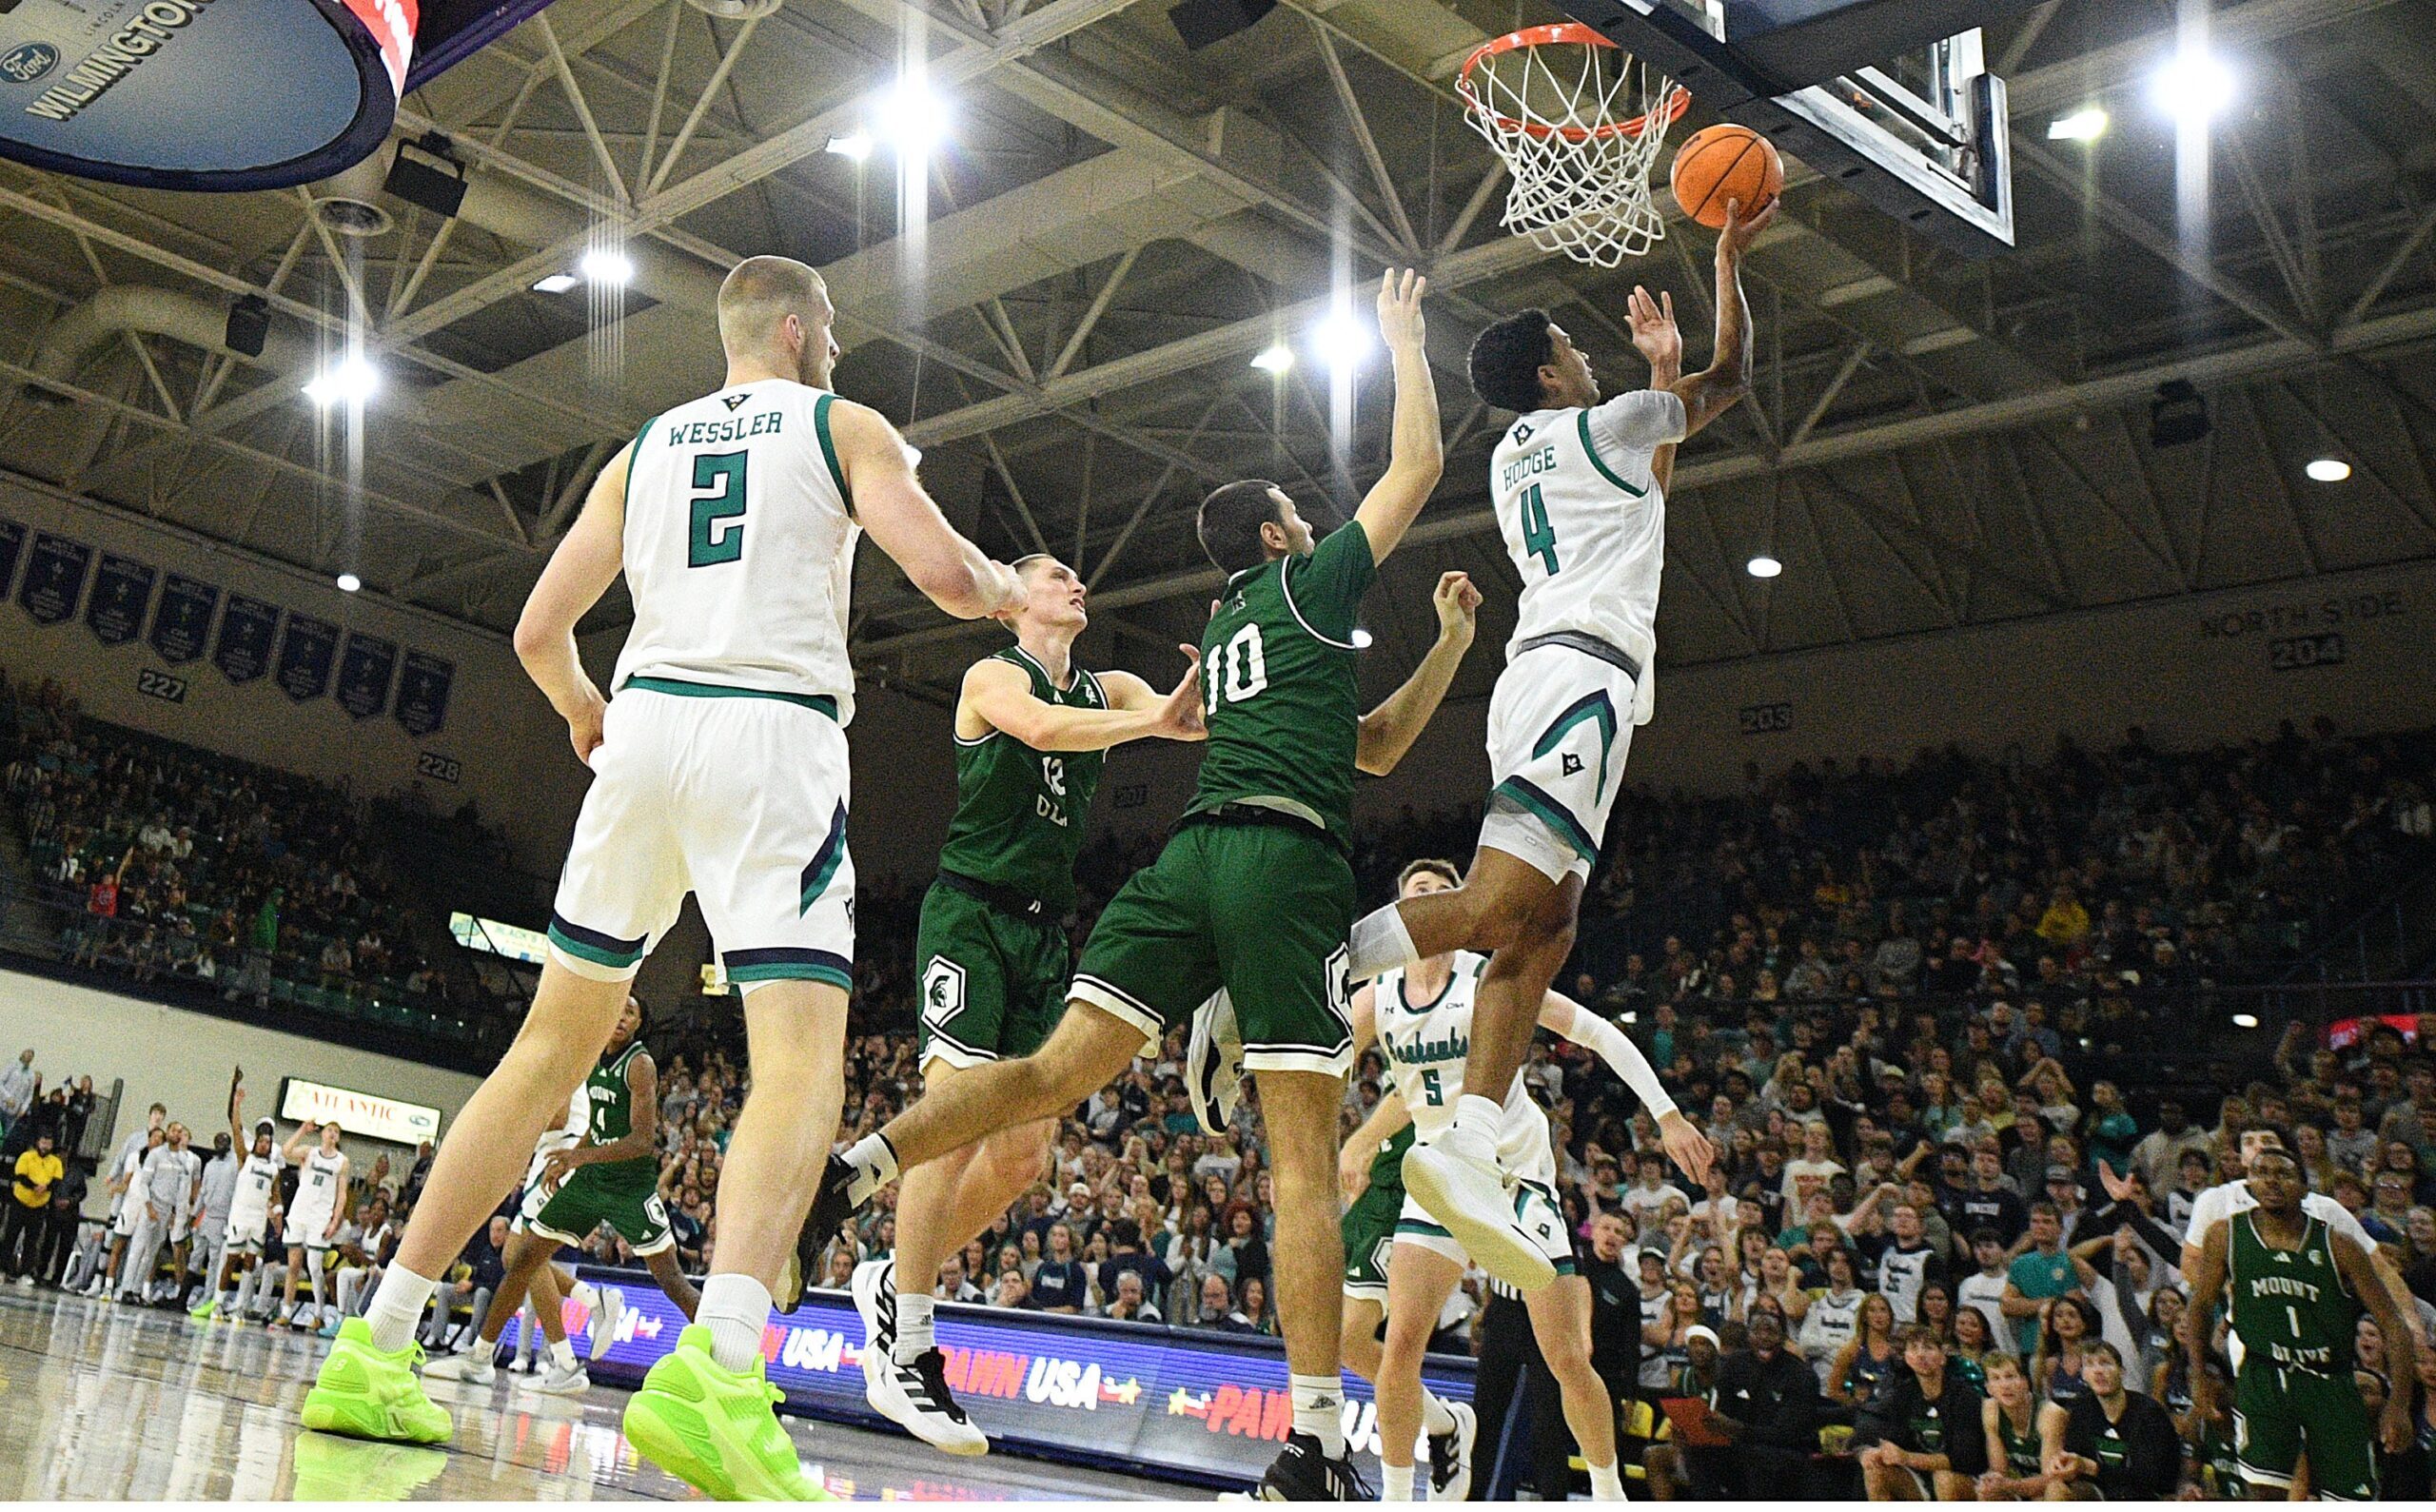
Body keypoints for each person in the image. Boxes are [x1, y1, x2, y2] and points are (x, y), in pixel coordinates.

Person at [303, 252, 1030, 1499]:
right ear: (797, 331)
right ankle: (723, 1374)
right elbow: (947, 576)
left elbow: (538, 630)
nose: (840, 342)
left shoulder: (639, 454)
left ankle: (375, 1343)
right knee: (797, 1059)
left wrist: (586, 712)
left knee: (540, 1057)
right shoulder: (841, 422)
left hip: (643, 736)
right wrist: (1012, 588)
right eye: (834, 326)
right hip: (769, 737)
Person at [806, 270, 1455, 1499]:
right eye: (1294, 517)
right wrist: (1403, 347)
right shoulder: (1300, 591)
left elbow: (1360, 743)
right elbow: (1413, 469)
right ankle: (1315, 1442)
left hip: (1181, 865)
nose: (1310, 527)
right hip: (1270, 865)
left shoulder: (1216, 633)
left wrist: (1450, 647)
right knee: (1303, 1165)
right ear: (1276, 538)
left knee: (1041, 1100)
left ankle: (858, 1176)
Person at [1333, 200, 1772, 1291]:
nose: (1588, 356)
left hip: (1566, 678)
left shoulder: (1535, 454)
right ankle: (1320, 958)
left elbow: (1641, 515)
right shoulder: (1602, 423)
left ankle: (1470, 1136)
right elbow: (1733, 386)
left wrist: (1655, 378)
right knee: (1491, 909)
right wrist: (1723, 269)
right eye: (1575, 350)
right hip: (1574, 678)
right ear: (1546, 373)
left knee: (1546, 925)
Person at [843, 550, 1203, 1455]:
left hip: (1044, 934)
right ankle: (912, 1347)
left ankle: (893, 1276)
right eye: (1057, 578)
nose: (1078, 585)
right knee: (955, 1113)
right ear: (1014, 603)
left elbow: (1182, 723)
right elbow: (1041, 731)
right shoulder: (990, 674)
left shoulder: (1110, 682)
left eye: (1081, 577)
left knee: (1024, 1154)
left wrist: (1217, 699)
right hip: (970, 915)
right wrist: (1149, 721)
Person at [1349, 856, 1714, 1501]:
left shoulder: (1492, 977)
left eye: (1443, 892)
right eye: (1418, 893)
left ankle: (1607, 1492)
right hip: (1436, 1179)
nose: (1430, 900)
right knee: (1400, 1342)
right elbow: (1319, 1057)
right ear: (1403, 915)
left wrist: (1668, 1113)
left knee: (1567, 1356)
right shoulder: (1378, 997)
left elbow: (1597, 1030)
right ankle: (1398, 1496)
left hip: (1514, 1180)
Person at [426, 998, 696, 1394]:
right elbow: (599, 1125)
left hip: (625, 1185)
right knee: (521, 1259)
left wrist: (571, 1154)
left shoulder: (639, 1064)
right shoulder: (595, 1058)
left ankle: (730, 1362)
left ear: (639, 1024)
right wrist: (573, 1161)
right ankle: (489, 1357)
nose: (619, 1017)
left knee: (672, 1281)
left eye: (630, 1013)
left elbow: (641, 1141)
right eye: (616, 1009)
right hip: (584, 1172)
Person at [2184, 1145, 2417, 1501]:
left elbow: (2394, 1325)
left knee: (2350, 1499)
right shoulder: (2225, 1235)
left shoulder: (2338, 1245)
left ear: (2305, 1188)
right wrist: (2197, 1373)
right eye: (2263, 1172)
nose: (2272, 1181)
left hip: (2329, 1380)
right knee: (2263, 1494)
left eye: (2284, 1174)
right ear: (2249, 1182)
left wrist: (2398, 1403)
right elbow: (2199, 1307)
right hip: (2263, 1376)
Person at [1338, 1106, 1475, 1503]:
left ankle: (1397, 1493)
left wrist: (1356, 1144)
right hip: (1378, 1186)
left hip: (1413, 1190)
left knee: (1354, 1337)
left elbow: (1408, 1094)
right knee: (1336, 1339)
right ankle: (1445, 1423)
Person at [191, 1073, 287, 1322]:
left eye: (268, 1142)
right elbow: (235, 1127)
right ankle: (218, 1304)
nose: (265, 1145)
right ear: (257, 1142)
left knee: (250, 1264)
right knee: (231, 1260)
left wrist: (277, 1215)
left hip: (258, 1219)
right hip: (239, 1215)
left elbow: (276, 1197)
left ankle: (240, 1307)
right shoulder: (245, 1157)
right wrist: (236, 1103)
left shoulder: (274, 1170)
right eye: (262, 1141)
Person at [1856, 1325, 1987, 1501]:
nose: (1920, 1354)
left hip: (1965, 1480)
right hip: (1921, 1478)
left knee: (1944, 1479)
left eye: (1928, 1347)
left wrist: (1907, 1458)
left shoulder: (1964, 1396)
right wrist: (1871, 1453)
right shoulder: (1902, 1394)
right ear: (1906, 1358)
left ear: (1942, 1357)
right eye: (1914, 1348)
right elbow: (1888, 1439)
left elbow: (1964, 1459)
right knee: (1875, 1471)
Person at [2036, 1342, 2179, 1501]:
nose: (2098, 1371)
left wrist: (2091, 1467)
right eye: (2090, 1365)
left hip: (2146, 1495)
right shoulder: (2082, 1409)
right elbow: (2077, 1462)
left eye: (2105, 1363)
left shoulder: (2148, 1412)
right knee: (2056, 1488)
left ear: (2122, 1371)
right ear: (2083, 1375)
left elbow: (2148, 1478)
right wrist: (2064, 1465)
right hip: (2102, 1492)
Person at [1709, 1306, 1821, 1498]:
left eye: (1771, 1332)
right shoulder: (1734, 1364)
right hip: (1742, 1444)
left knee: (1758, 1457)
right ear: (1748, 1336)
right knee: (1698, 1452)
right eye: (1756, 1331)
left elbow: (1786, 1434)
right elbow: (1723, 1410)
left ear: (1784, 1336)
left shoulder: (1801, 1375)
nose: (1764, 1338)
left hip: (1789, 1451)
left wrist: (1738, 1429)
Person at [273, 1119, 349, 1328]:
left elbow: (342, 1194)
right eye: (329, 1130)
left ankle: (319, 1313)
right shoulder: (309, 1151)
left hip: (320, 1218)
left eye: (336, 1131)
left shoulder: (342, 1161)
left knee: (315, 1267)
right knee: (294, 1265)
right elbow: (286, 1151)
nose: (332, 1133)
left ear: (338, 1137)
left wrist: (335, 1220)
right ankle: (286, 1311)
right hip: (299, 1214)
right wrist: (302, 1130)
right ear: (322, 1134)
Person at [1974, 1354, 2054, 1501]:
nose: (2005, 1385)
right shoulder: (1990, 1409)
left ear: (2025, 1382)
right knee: (1989, 1495)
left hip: (2052, 1488)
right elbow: (1999, 1469)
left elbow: (2051, 1479)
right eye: (1996, 1379)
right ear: (1989, 1388)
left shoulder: (2049, 1414)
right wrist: (1992, 1484)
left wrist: (2009, 1485)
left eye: (2010, 1376)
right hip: (2019, 1482)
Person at [5, 1129, 61, 1284]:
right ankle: (4, 1269)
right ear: (37, 1142)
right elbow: (20, 1176)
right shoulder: (27, 1156)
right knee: (11, 1235)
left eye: (48, 1144)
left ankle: (25, 1272)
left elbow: (56, 1181)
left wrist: (46, 1187)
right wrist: (35, 1186)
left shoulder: (55, 1162)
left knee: (32, 1241)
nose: (45, 1146)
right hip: (20, 1201)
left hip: (39, 1206)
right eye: (43, 1142)